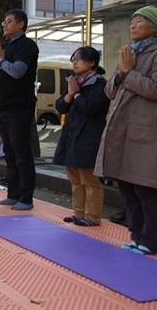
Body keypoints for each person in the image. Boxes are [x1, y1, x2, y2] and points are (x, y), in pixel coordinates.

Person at [95, 5, 157, 255]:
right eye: (132, 20)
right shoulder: (129, 53)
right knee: (127, 187)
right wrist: (122, 71)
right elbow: (110, 91)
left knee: (146, 188)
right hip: (123, 130)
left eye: (140, 20)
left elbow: (156, 89)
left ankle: (152, 241)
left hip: (147, 133)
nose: (133, 24)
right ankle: (136, 236)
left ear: (154, 27)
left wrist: (128, 71)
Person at [0, 9, 39, 210]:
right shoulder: (4, 46)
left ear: (21, 24)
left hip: (19, 107)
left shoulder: (27, 46)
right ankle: (12, 193)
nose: (4, 25)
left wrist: (0, 60)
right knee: (9, 153)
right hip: (2, 108)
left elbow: (17, 72)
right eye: (4, 21)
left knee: (22, 153)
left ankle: (26, 198)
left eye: (9, 21)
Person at [53, 46, 110, 226]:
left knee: (89, 179)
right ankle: (78, 213)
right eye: (73, 59)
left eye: (79, 59)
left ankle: (92, 216)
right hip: (72, 135)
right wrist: (70, 93)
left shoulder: (100, 84)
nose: (74, 63)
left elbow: (91, 107)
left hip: (89, 136)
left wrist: (76, 93)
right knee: (75, 178)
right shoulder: (74, 81)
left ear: (92, 63)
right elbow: (61, 107)